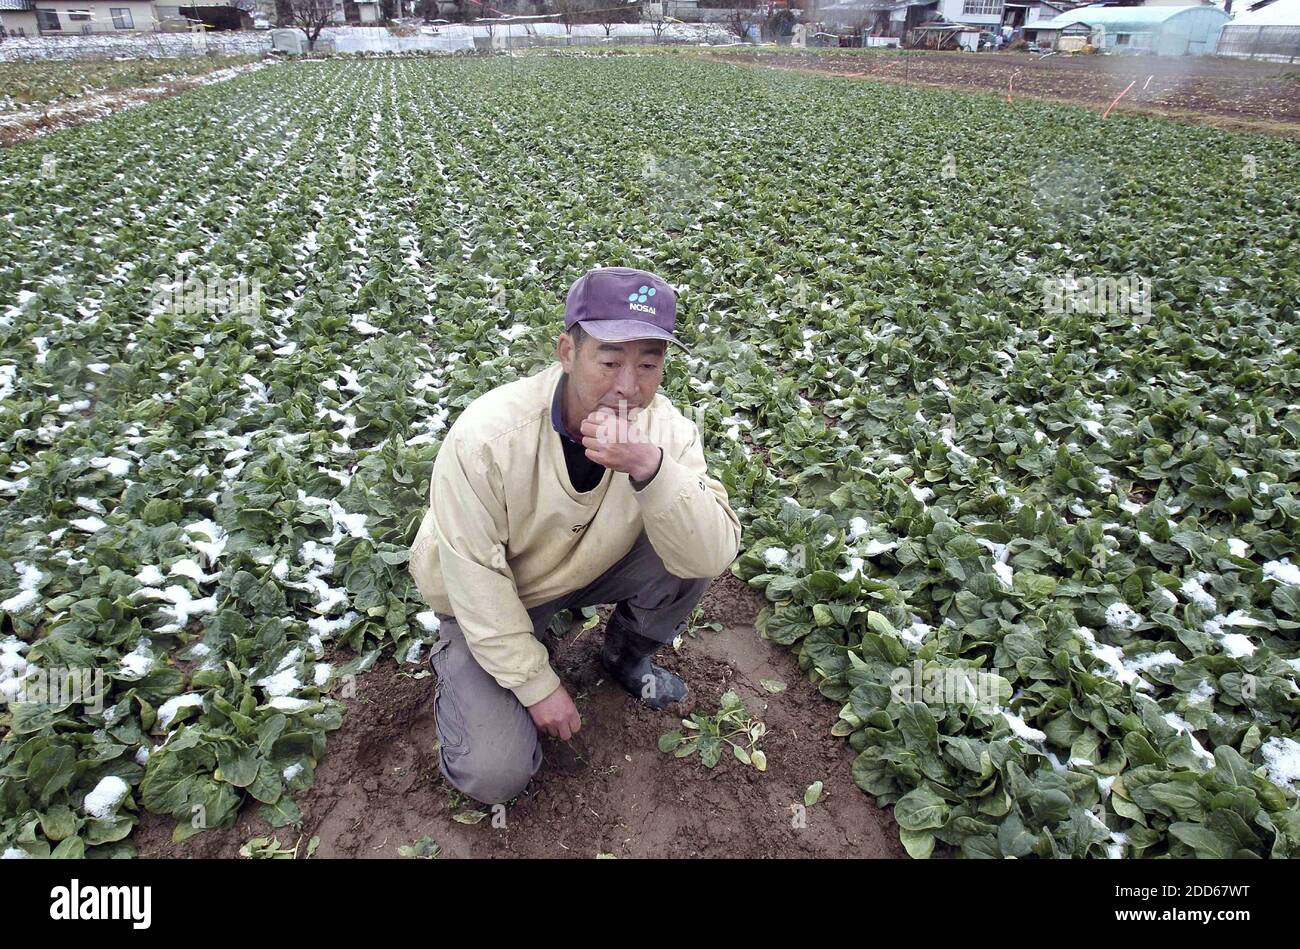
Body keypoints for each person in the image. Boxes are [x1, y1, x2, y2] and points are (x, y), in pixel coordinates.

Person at [407, 266, 743, 806]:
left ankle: (625, 657)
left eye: (648, 364)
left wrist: (649, 466)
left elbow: (713, 552)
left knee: (688, 538)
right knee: (495, 774)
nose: (628, 386)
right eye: (609, 361)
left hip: (581, 567)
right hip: (488, 593)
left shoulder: (666, 432)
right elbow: (473, 574)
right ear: (567, 351)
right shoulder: (488, 437)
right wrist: (539, 688)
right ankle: (468, 657)